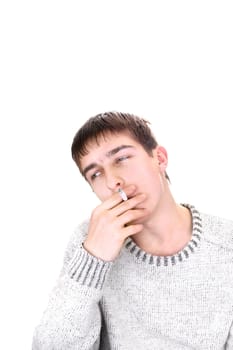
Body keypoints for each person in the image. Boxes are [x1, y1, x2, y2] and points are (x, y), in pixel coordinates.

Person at [32, 111, 233, 349]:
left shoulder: (225, 246)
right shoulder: (90, 241)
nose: (112, 181)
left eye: (121, 158)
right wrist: (93, 259)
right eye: (96, 173)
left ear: (159, 158)